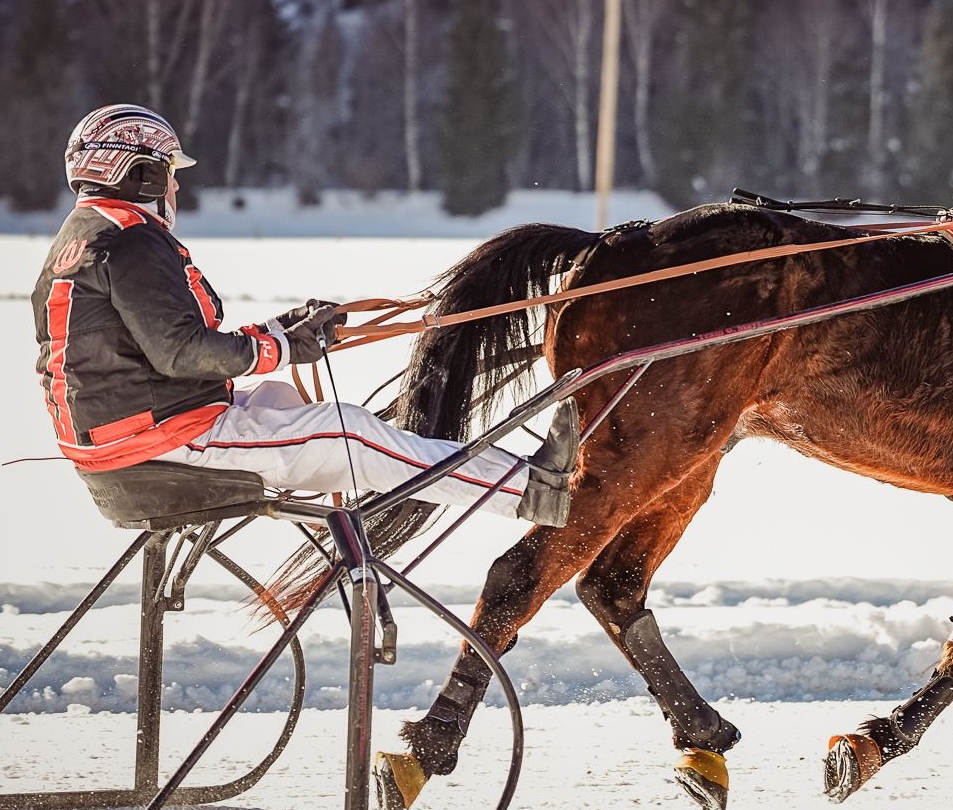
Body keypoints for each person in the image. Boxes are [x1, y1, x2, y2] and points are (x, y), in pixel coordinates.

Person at [31, 104, 573, 522]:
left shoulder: (83, 237)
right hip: (164, 441)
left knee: (281, 399)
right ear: (141, 173)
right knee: (351, 433)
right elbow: (182, 353)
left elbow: (163, 344)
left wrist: (282, 330)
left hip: (121, 439)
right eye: (170, 171)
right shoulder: (132, 241)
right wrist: (285, 348)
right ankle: (529, 490)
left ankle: (373, 490)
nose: (175, 185)